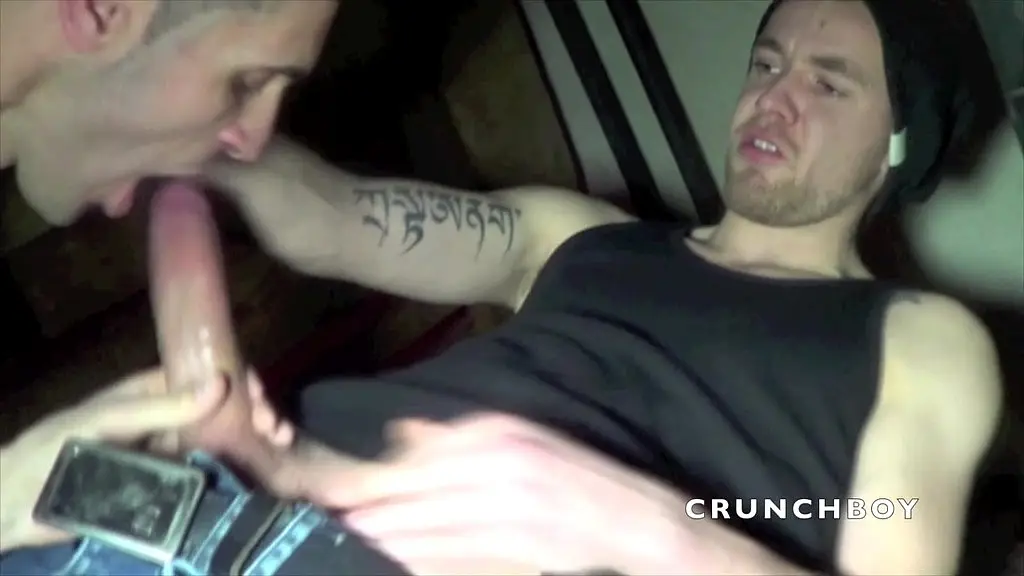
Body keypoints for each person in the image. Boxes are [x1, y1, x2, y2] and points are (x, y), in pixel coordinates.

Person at [0, 0, 1007, 575]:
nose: (773, 97)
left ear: (897, 145)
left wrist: (643, 529)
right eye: (767, 61)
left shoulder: (918, 336)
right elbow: (335, 219)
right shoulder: (579, 235)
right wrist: (188, 127)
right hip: (173, 504)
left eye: (827, 83)